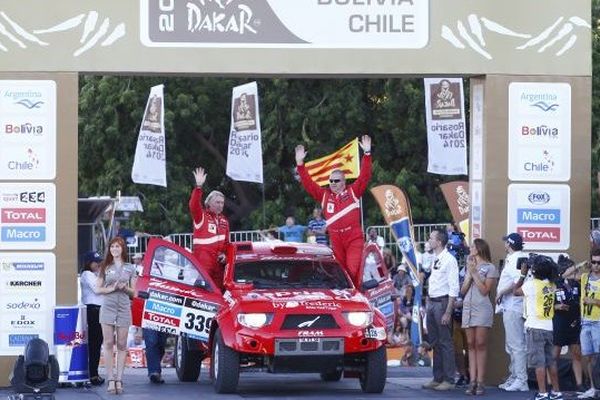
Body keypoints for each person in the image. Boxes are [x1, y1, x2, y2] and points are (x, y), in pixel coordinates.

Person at [295, 135, 372, 288]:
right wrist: (300, 164)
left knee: (352, 268)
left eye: (337, 181)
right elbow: (309, 185)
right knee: (340, 272)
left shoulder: (353, 192)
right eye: (331, 181)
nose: (333, 183)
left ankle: (356, 295)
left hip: (353, 238)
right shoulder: (325, 195)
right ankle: (345, 298)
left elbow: (365, 176)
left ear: (344, 182)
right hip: (336, 239)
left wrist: (367, 154)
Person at [514, 255, 562, 400]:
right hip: (548, 327)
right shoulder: (551, 284)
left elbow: (515, 291)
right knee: (551, 362)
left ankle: (542, 393)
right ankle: (556, 392)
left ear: (535, 271)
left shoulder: (531, 284)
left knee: (539, 363)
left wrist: (523, 274)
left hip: (535, 328)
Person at [97, 237, 137, 395]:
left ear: (122, 249)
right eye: (112, 246)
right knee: (107, 342)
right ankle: (110, 379)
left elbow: (135, 292)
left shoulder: (131, 268)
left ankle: (119, 378)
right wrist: (112, 288)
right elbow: (98, 289)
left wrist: (125, 288)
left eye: (118, 246)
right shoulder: (105, 266)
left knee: (121, 344)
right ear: (110, 249)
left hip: (124, 306)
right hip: (108, 305)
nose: (115, 249)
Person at [422, 228, 459, 391]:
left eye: (431, 239)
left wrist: (448, 311)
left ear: (439, 242)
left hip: (442, 303)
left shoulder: (449, 260)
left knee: (445, 342)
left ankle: (449, 379)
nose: (429, 241)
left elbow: (453, 287)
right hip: (433, 302)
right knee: (435, 342)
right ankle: (438, 377)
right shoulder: (435, 258)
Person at [461, 238, 499, 395]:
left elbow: (485, 291)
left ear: (479, 249)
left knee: (480, 343)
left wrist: (474, 273)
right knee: (470, 344)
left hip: (482, 308)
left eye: (473, 247)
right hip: (468, 308)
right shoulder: (468, 266)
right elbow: (462, 291)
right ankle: (472, 381)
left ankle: (481, 382)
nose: (470, 249)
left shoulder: (490, 268)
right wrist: (469, 274)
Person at [561, 249, 600, 399]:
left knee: (598, 358)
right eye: (594, 262)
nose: (596, 265)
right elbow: (564, 275)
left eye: (599, 263)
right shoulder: (585, 277)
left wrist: (595, 301)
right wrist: (581, 264)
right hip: (585, 322)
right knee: (589, 357)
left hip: (598, 322)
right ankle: (593, 387)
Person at [494, 233, 529, 391]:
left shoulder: (516, 258)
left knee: (517, 345)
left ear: (509, 244)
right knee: (512, 345)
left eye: (506, 242)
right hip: (510, 306)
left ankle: (521, 380)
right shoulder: (514, 258)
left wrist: (501, 292)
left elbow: (517, 282)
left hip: (515, 306)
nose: (504, 244)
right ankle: (515, 376)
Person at [189, 166, 230, 289]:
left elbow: (227, 244)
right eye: (217, 202)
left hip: (219, 266)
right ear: (209, 203)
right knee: (203, 296)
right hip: (203, 265)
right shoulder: (201, 216)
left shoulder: (224, 221)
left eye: (222, 203)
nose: (220, 205)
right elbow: (193, 204)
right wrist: (198, 187)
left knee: (219, 295)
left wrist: (226, 256)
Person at [552, 255, 585, 395]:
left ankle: (579, 384)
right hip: (559, 323)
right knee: (554, 356)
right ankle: (552, 386)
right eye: (572, 270)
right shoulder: (555, 282)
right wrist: (556, 306)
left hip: (574, 322)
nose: (575, 273)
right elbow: (546, 304)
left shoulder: (577, 284)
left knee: (577, 354)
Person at [79, 251, 105, 386]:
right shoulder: (86, 274)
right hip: (93, 310)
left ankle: (94, 372)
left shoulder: (95, 275)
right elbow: (98, 289)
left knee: (97, 342)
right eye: (96, 262)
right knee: (95, 342)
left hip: (98, 310)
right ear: (89, 263)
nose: (98, 264)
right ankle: (93, 374)